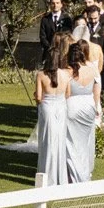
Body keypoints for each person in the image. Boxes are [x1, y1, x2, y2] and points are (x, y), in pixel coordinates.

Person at [33, 33, 72, 186]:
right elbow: (68, 94)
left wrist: (38, 97)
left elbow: (38, 97)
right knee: (59, 141)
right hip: (61, 107)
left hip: (48, 108)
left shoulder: (41, 75)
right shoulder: (66, 74)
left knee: (46, 141)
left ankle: (46, 176)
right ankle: (59, 177)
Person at [64, 39, 100, 184]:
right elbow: (97, 89)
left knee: (71, 145)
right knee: (85, 144)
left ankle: (75, 177)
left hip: (72, 106)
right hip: (89, 105)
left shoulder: (68, 71)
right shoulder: (92, 68)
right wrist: (96, 106)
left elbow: (66, 93)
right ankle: (85, 174)